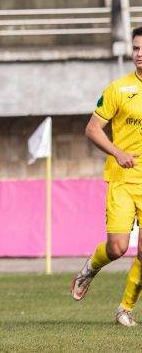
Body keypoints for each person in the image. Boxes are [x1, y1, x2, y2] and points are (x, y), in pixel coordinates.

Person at [70, 26, 142, 327]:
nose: (140, 54)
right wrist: (117, 152)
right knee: (118, 247)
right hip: (122, 178)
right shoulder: (118, 89)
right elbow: (92, 129)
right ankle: (91, 267)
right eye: (136, 49)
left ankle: (125, 309)